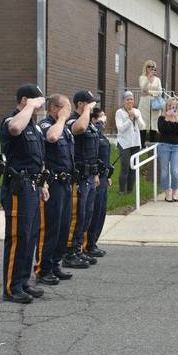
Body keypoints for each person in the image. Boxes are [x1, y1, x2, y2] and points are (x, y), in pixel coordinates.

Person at [0, 84, 49, 304]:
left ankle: (23, 281)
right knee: (18, 237)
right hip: (18, 187)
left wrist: (43, 184)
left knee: (30, 238)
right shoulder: (13, 121)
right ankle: (12, 286)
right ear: (24, 101)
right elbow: (14, 130)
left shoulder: (34, 126)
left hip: (33, 186)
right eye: (36, 102)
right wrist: (29, 107)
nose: (39, 107)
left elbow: (38, 158)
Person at [36, 94, 75, 286]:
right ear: (54, 108)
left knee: (63, 226)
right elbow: (51, 137)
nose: (68, 112)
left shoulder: (64, 128)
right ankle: (43, 268)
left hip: (66, 183)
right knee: (51, 227)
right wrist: (61, 119)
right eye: (65, 108)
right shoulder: (45, 124)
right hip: (53, 183)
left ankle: (54, 263)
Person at [66, 90, 100, 267]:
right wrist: (86, 111)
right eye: (89, 103)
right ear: (80, 103)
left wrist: (95, 174)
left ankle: (79, 249)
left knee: (86, 214)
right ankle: (69, 252)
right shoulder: (73, 119)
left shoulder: (90, 122)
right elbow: (78, 129)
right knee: (77, 215)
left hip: (89, 174)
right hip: (78, 176)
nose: (93, 106)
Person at [84, 107, 112, 256]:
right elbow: (93, 152)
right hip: (95, 176)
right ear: (93, 119)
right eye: (101, 118)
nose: (104, 119)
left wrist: (108, 175)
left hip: (103, 176)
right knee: (93, 211)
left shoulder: (101, 135)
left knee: (101, 211)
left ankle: (93, 241)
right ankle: (88, 244)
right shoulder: (93, 132)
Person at [116, 91, 145, 195]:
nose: (130, 101)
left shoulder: (137, 111)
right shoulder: (119, 112)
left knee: (133, 167)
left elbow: (142, 126)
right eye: (127, 99)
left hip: (136, 143)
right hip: (124, 143)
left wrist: (136, 118)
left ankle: (130, 190)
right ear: (124, 101)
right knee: (125, 167)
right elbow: (120, 129)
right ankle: (121, 190)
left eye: (131, 99)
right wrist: (130, 119)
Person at [157, 98, 178, 202]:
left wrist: (176, 120)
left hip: (176, 147)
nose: (171, 108)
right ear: (166, 107)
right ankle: (167, 192)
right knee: (164, 171)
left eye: (173, 106)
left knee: (174, 171)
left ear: (176, 108)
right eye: (169, 106)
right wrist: (167, 118)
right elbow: (162, 130)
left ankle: (174, 192)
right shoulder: (161, 118)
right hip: (164, 146)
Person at [138, 59, 163, 145]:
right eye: (149, 66)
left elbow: (160, 92)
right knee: (144, 124)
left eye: (153, 67)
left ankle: (153, 147)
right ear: (145, 67)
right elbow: (143, 88)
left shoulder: (157, 80)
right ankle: (142, 146)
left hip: (155, 104)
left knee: (154, 124)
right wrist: (148, 78)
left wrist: (150, 93)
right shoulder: (142, 78)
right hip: (144, 104)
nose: (151, 68)